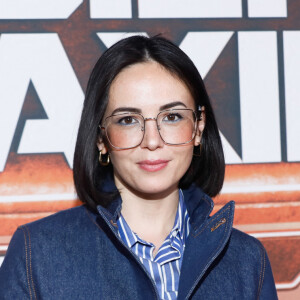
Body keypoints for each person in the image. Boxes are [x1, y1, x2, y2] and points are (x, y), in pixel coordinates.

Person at [0, 35, 277, 299]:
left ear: (198, 128)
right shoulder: (36, 254)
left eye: (171, 116)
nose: (152, 141)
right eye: (128, 120)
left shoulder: (247, 262)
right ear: (101, 137)